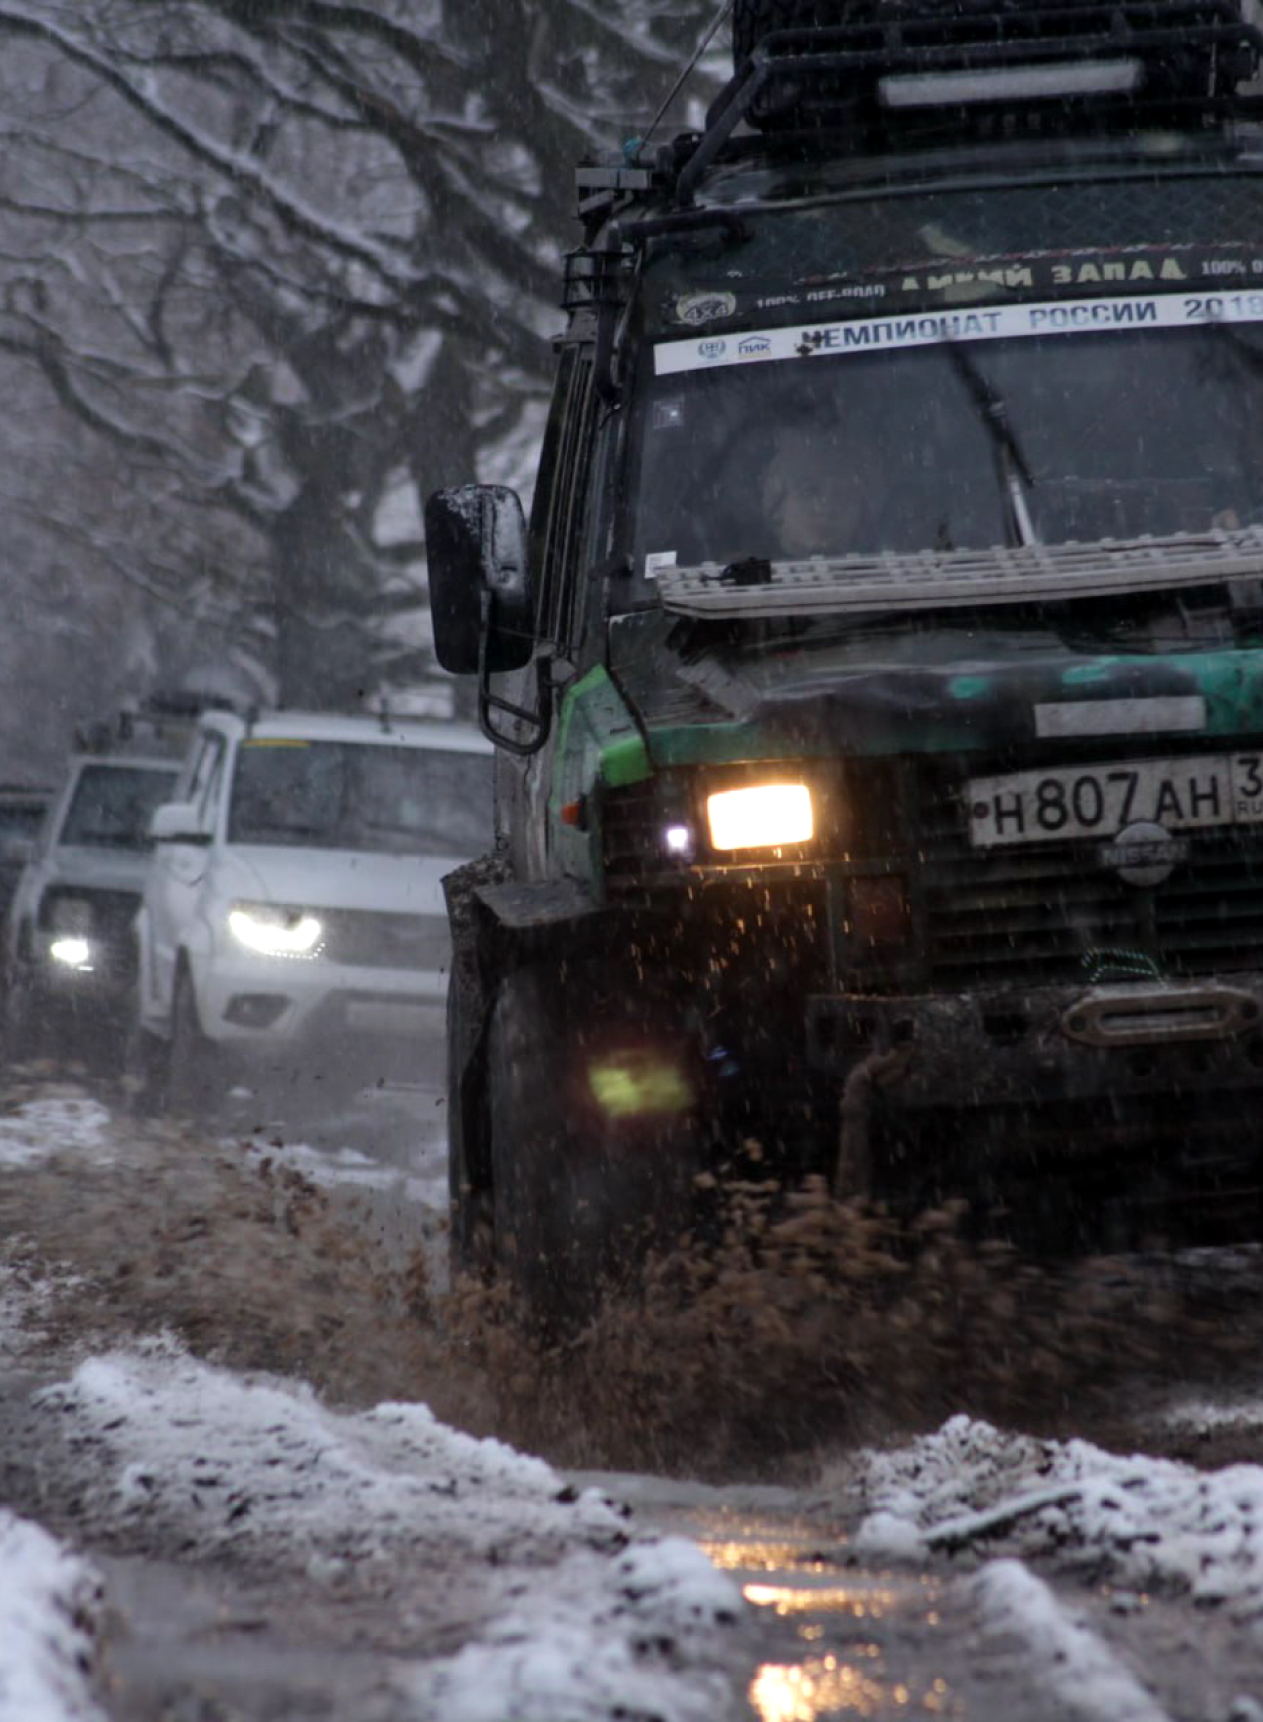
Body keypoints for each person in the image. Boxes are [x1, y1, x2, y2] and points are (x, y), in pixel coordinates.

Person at [760, 418, 888, 558]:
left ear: (862, 513)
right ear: (778, 506)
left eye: (842, 495)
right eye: (809, 491)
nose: (825, 508)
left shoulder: (892, 570)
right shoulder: (742, 574)